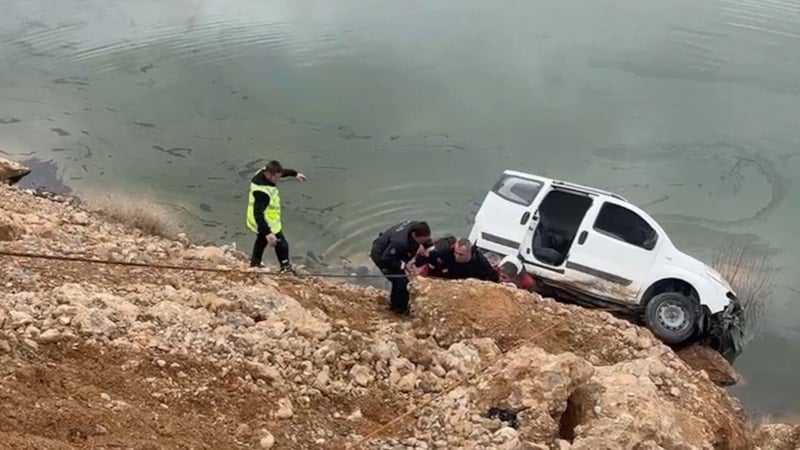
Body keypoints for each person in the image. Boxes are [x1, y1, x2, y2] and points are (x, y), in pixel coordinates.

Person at [246, 160, 307, 271]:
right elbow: (258, 214)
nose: (278, 179)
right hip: (264, 220)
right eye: (276, 177)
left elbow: (281, 172)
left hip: (259, 218)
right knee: (281, 243)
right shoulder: (262, 193)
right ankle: (285, 268)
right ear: (269, 174)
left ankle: (255, 263)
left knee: (261, 239)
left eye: (279, 176)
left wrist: (294, 174)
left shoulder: (262, 172)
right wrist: (268, 233)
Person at [370, 220, 433, 315]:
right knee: (402, 282)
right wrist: (404, 265)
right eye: (422, 241)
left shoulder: (417, 227)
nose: (423, 242)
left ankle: (395, 303)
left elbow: (424, 240)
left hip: (392, 249)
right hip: (382, 257)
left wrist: (428, 248)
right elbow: (386, 259)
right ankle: (400, 309)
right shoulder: (399, 243)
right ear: (414, 235)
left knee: (400, 280)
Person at [414, 238, 499, 283]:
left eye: (461, 254)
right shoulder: (447, 253)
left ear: (469, 251)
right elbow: (426, 258)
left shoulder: (480, 261)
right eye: (456, 252)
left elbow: (493, 277)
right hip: (448, 280)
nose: (457, 256)